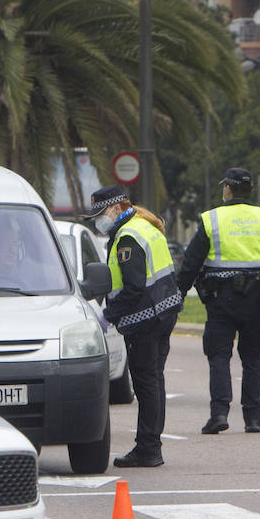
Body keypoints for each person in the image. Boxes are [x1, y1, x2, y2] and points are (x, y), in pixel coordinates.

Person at [176, 168, 260, 435]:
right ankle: (253, 419)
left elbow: (191, 262)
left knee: (218, 355)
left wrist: (178, 295)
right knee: (253, 358)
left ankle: (219, 414)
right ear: (250, 191)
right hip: (257, 299)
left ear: (227, 189)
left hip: (221, 300)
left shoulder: (212, 219)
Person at [84, 185, 182, 468]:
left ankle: (148, 448)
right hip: (163, 312)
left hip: (146, 319)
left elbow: (134, 286)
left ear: (115, 208)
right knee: (154, 382)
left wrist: (108, 314)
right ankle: (151, 445)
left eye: (101, 214)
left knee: (146, 384)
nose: (99, 221)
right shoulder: (145, 226)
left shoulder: (127, 237)